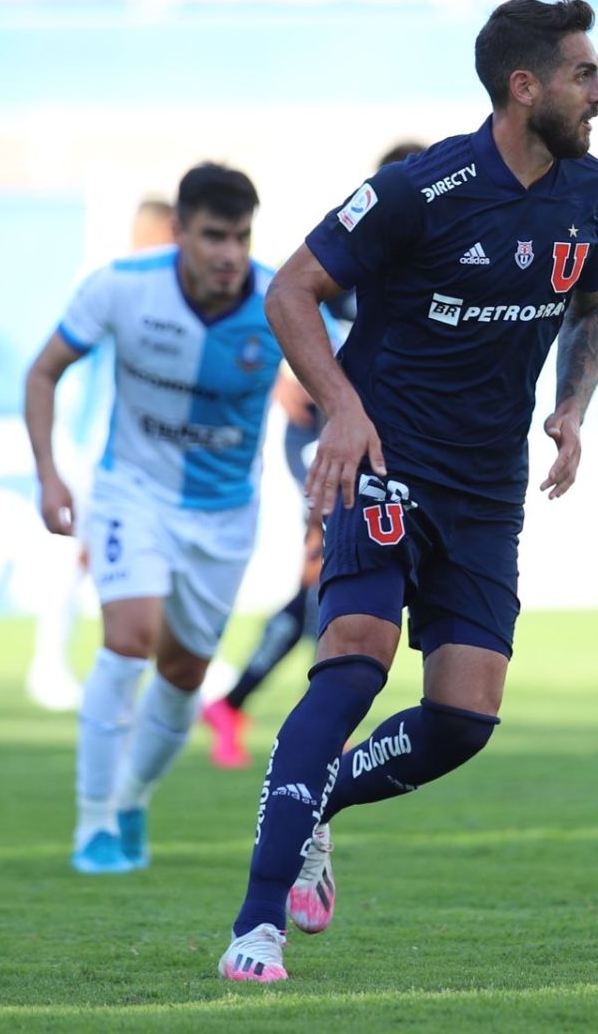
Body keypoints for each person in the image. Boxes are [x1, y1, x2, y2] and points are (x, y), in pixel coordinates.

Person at [218, 0, 598, 983]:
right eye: (584, 75)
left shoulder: (593, 192)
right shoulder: (420, 189)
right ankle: (257, 927)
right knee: (353, 662)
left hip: (487, 488)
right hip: (385, 464)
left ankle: (318, 803)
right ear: (524, 87)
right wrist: (342, 409)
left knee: (464, 720)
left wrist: (571, 406)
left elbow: (593, 307)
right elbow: (289, 290)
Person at [23, 164, 283, 874]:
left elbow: (334, 389)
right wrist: (49, 473)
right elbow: (43, 370)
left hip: (224, 515)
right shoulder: (121, 287)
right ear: (179, 233)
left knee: (184, 671)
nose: (229, 253)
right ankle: (93, 825)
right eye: (214, 236)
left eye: (241, 237)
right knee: (128, 639)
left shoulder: (279, 301)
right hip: (130, 491)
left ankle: (133, 798)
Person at [201, 141, 428, 770]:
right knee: (327, 574)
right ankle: (318, 727)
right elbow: (286, 298)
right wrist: (286, 372)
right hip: (320, 437)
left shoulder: (428, 266)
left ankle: (244, 707)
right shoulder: (357, 252)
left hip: (378, 439)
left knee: (323, 587)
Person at [25, 196, 177, 713]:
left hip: (141, 452)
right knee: (69, 554)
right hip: (94, 447)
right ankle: (48, 665)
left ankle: (176, 661)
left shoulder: (166, 290)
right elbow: (57, 368)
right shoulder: (112, 286)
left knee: (158, 555)